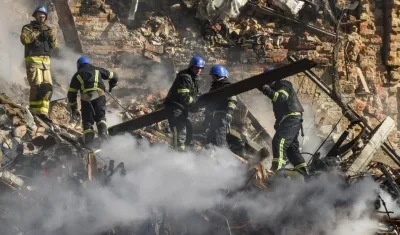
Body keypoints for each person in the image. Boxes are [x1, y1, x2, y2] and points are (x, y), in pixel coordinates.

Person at [258, 67, 308, 176]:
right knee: (292, 150)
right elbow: (279, 111)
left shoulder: (283, 84)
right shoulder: (276, 88)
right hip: (290, 119)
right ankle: (305, 174)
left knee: (278, 142)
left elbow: (280, 99)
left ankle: (277, 172)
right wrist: (277, 123)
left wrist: (266, 89)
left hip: (292, 118)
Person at [67, 56, 118, 144]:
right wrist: (112, 84)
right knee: (100, 117)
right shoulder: (97, 70)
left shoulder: (77, 75)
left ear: (78, 65)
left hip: (86, 97)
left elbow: (71, 94)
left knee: (87, 121)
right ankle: (103, 135)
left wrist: (74, 109)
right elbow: (114, 76)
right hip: (99, 94)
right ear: (89, 63)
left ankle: (89, 142)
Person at [20, 5, 57, 119]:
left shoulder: (48, 29)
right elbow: (24, 39)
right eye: (39, 14)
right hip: (33, 61)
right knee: (37, 86)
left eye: (44, 15)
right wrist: (36, 32)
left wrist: (51, 35)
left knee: (47, 87)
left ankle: (43, 112)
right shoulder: (28, 27)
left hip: (46, 63)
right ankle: (34, 111)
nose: (42, 16)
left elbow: (54, 45)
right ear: (35, 15)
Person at [164, 56, 205, 151]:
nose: (199, 70)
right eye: (196, 68)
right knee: (179, 130)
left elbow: (195, 94)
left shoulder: (194, 79)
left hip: (182, 108)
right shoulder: (185, 77)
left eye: (200, 68)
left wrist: (199, 103)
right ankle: (177, 153)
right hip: (175, 107)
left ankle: (184, 151)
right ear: (191, 67)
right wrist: (194, 104)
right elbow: (183, 96)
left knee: (188, 128)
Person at [203, 65, 237, 147]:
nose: (212, 78)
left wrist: (229, 112)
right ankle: (209, 156)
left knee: (220, 140)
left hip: (222, 116)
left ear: (217, 75)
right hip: (214, 117)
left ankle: (223, 157)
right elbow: (209, 104)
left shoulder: (227, 86)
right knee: (210, 139)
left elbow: (232, 100)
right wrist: (207, 118)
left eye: (213, 76)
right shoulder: (214, 87)